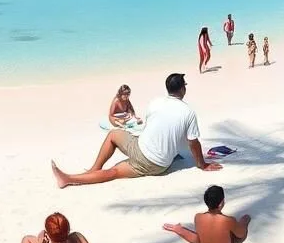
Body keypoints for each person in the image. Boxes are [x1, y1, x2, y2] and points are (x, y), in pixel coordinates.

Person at [52, 73, 220, 188]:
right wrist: (202, 164)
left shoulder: (156, 102)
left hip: (144, 154)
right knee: (113, 157)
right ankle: (82, 174)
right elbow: (193, 142)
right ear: (183, 89)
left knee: (113, 153)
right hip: (154, 160)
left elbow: (153, 126)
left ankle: (78, 175)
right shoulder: (188, 112)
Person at [163, 185, 250, 243]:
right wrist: (243, 223)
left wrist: (180, 230)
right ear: (220, 204)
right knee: (240, 228)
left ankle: (179, 230)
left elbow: (198, 239)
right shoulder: (228, 220)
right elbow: (241, 234)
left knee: (201, 235)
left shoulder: (198, 217)